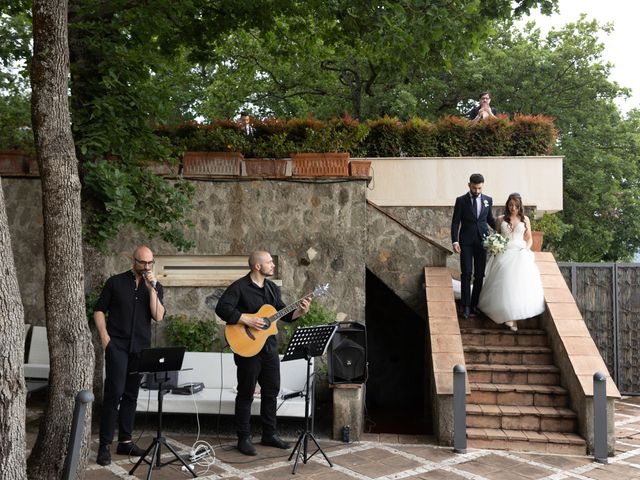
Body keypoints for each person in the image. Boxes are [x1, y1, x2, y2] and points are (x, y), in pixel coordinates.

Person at [215, 251, 311, 456]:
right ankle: (244, 438)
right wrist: (246, 320)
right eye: (269, 262)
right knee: (246, 393)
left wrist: (300, 312)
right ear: (257, 266)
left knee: (271, 391)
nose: (273, 266)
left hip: (269, 348)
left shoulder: (272, 288)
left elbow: (283, 314)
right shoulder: (239, 287)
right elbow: (221, 308)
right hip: (247, 348)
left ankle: (269, 434)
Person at [94, 246, 165, 466]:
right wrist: (105, 338)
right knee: (114, 393)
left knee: (131, 395)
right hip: (117, 346)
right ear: (132, 260)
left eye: (149, 263)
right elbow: (98, 310)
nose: (146, 267)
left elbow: (158, 316)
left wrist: (152, 289)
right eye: (142, 262)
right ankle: (104, 445)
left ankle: (125, 441)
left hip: (140, 349)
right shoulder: (115, 282)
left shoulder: (155, 286)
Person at [477, 193, 545, 330]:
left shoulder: (525, 219)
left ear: (520, 206)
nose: (513, 208)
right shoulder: (500, 219)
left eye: (516, 206)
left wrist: (526, 248)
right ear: (507, 205)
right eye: (511, 205)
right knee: (505, 282)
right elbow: (497, 236)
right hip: (504, 252)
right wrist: (494, 245)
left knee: (516, 285)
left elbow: (529, 238)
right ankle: (507, 316)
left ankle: (512, 318)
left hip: (520, 252)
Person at [451, 173, 496, 319]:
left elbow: (490, 219)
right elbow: (455, 222)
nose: (477, 191)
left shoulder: (488, 200)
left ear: (482, 186)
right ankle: (465, 306)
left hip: (483, 242)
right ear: (469, 185)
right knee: (466, 273)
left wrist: (502, 231)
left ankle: (475, 304)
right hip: (466, 242)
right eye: (474, 188)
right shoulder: (461, 201)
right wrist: (455, 241)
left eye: (479, 188)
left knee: (479, 275)